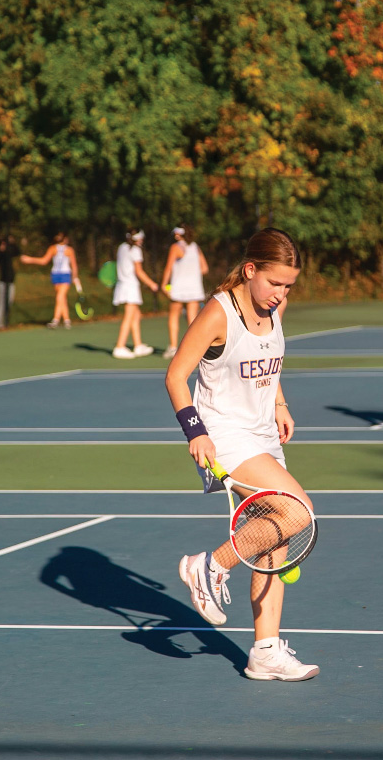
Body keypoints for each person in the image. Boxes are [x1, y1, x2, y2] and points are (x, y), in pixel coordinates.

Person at [166, 227, 318, 682]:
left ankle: (265, 651)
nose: (281, 293)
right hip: (224, 435)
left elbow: (268, 361)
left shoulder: (277, 306)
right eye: (274, 282)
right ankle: (208, 565)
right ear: (250, 270)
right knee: (298, 513)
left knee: (274, 539)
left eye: (289, 285)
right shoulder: (219, 313)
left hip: (263, 435)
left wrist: (279, 404)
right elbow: (176, 376)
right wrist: (195, 432)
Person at [160, 225, 209, 359]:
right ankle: (195, 348)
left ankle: (173, 348)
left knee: (174, 315)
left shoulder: (175, 247)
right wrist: (191, 273)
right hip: (194, 288)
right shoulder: (195, 247)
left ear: (177, 235)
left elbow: (168, 268)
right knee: (192, 319)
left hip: (179, 288)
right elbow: (204, 268)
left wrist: (163, 284)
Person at [111, 229, 159, 358]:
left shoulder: (122, 247)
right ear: (137, 239)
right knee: (129, 316)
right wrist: (152, 284)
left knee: (136, 315)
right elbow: (139, 271)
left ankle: (138, 346)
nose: (142, 240)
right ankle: (119, 346)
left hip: (123, 284)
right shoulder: (136, 250)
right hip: (129, 286)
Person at [21, 231, 80, 329]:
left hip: (65, 275)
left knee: (60, 296)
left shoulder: (69, 250)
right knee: (62, 298)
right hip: (56, 275)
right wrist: (30, 259)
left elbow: (74, 265)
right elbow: (44, 261)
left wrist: (75, 277)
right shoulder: (53, 249)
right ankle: (66, 320)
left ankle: (55, 320)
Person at [0, 234, 21, 329]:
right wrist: (1, 247)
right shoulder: (0, 254)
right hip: (3, 281)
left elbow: (17, 252)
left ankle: (5, 321)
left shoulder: (9, 253)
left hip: (11, 281)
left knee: (9, 301)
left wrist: (12, 243)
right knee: (2, 302)